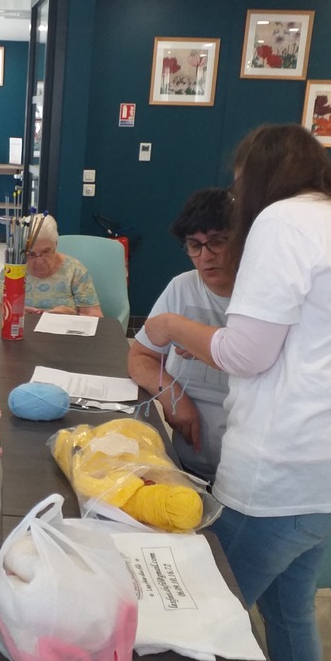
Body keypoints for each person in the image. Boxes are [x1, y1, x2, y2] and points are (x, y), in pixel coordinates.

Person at [144, 123, 331, 661]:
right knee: (289, 611)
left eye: (239, 184)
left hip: (281, 473)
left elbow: (245, 354)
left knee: (204, 615)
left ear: (258, 179)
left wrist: (172, 327)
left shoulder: (280, 223)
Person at [129, 188, 234, 483]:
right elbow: (141, 356)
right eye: (194, 245)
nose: (206, 257)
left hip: (249, 476)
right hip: (189, 464)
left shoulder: (263, 295)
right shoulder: (182, 287)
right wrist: (172, 395)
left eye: (218, 242)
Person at [0, 214, 102, 316]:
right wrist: (14, 313)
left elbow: (96, 317)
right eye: (31, 254)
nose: (39, 261)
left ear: (55, 245)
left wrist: (73, 316)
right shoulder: (14, 269)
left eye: (46, 252)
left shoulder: (75, 270)